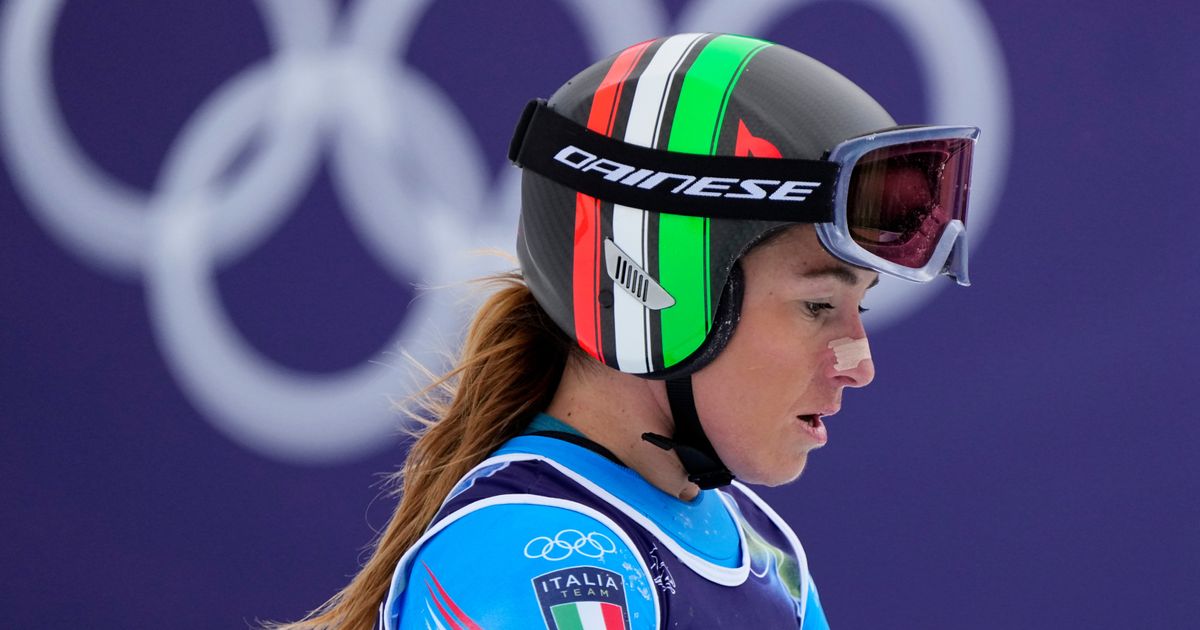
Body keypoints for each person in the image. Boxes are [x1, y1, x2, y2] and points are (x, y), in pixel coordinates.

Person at [275, 32, 979, 630]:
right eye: (818, 306)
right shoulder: (532, 558)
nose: (859, 364)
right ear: (652, 289)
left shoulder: (765, 552)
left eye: (862, 307)